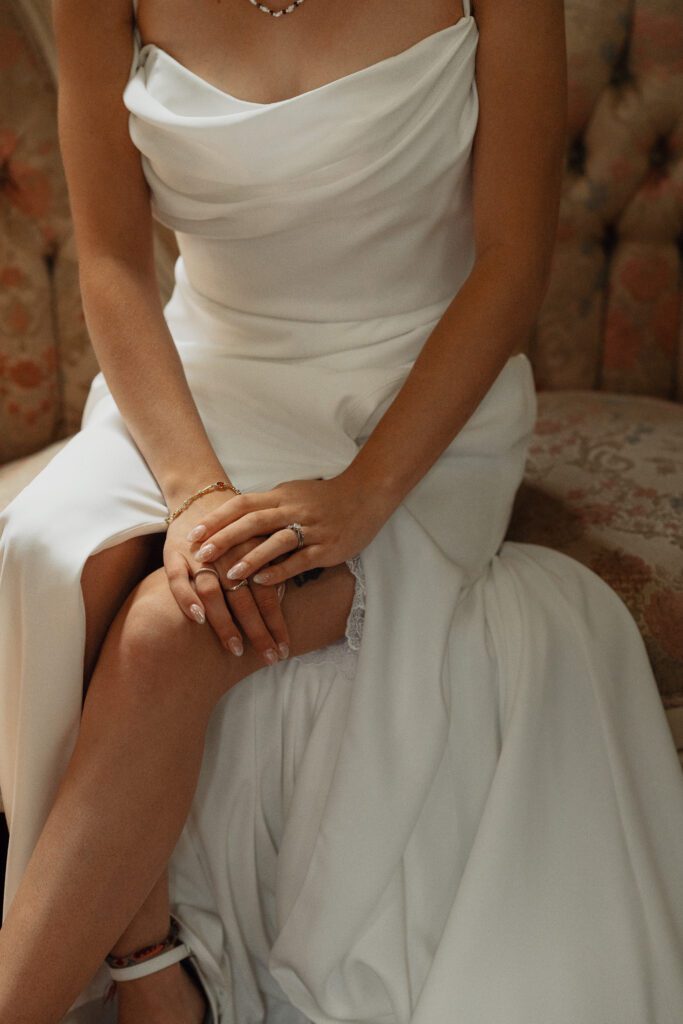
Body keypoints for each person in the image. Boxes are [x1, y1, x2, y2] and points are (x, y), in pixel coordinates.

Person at [1, 0, 682, 1021]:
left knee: (167, 629)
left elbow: (509, 266)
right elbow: (110, 264)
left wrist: (362, 495)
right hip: (198, 385)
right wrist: (192, 490)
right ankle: (147, 967)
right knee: (58, 553)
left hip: (414, 402)